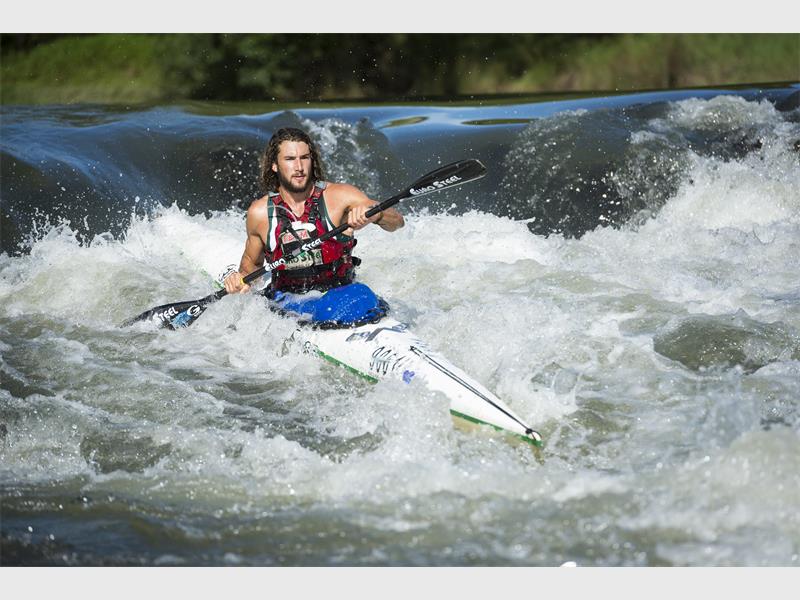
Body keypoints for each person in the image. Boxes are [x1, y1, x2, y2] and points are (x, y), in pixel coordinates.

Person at [223, 127, 404, 325]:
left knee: (359, 296)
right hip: (288, 303)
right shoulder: (260, 213)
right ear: (274, 165)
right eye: (290, 159)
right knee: (329, 309)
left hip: (344, 296)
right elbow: (250, 269)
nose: (299, 167)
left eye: (304, 158)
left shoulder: (340, 196)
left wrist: (376, 213)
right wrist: (238, 280)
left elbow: (397, 222)